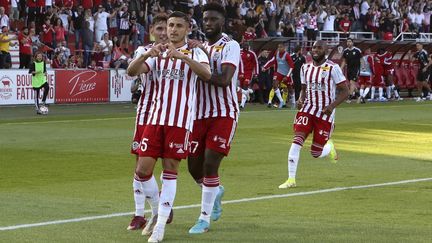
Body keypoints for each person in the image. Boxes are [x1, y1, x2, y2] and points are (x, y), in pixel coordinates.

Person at [127, 11, 211, 243]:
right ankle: (157, 211)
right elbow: (131, 72)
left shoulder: (195, 51)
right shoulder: (157, 53)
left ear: (188, 29)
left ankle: (161, 225)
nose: (173, 30)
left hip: (180, 121)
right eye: (170, 25)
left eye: (178, 26)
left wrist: (183, 57)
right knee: (143, 170)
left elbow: (206, 74)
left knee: (169, 171)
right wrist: (145, 56)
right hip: (154, 119)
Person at [186, 2, 240, 234]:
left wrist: (200, 60)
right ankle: (215, 191)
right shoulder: (197, 49)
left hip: (224, 112)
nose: (208, 23)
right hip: (198, 114)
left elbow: (224, 80)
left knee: (209, 163)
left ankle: (204, 219)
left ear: (222, 22)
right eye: (205, 19)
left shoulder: (231, 45)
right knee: (193, 167)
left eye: (213, 19)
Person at [278, 40, 349, 189]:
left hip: (324, 114)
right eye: (314, 47)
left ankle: (329, 147)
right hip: (307, 110)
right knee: (297, 141)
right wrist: (300, 98)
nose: (315, 50)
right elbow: (304, 88)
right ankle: (291, 179)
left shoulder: (333, 68)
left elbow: (345, 91)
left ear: (325, 50)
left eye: (319, 48)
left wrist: (331, 106)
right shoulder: (305, 68)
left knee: (316, 153)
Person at [126, 14, 171, 232]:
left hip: (172, 115)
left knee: (168, 165)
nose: (164, 32)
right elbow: (133, 71)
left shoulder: (182, 52)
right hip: (146, 114)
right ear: (152, 29)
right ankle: (139, 214)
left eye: (167, 28)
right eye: (160, 28)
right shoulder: (144, 51)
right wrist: (146, 56)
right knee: (140, 165)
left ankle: (161, 208)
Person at [263, 43, 295, 108]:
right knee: (274, 85)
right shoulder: (276, 54)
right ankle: (281, 101)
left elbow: (292, 66)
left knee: (290, 89)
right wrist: (265, 67)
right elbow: (272, 61)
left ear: (284, 48)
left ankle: (293, 102)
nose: (279, 49)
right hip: (279, 72)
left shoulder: (287, 55)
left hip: (287, 74)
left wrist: (287, 76)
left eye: (281, 47)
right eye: (278, 47)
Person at [340, 38, 362, 102]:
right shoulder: (345, 51)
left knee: (352, 82)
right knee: (351, 83)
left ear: (352, 43)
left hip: (356, 69)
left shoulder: (357, 50)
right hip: (349, 69)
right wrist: (341, 69)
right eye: (347, 42)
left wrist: (363, 67)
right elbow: (344, 61)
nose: (348, 43)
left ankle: (349, 97)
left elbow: (361, 59)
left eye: (350, 42)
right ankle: (359, 95)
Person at [238, 42, 258, 109]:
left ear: (248, 46)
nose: (245, 47)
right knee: (240, 87)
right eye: (244, 45)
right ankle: (250, 91)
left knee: (245, 85)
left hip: (248, 72)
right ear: (242, 46)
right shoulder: (239, 52)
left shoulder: (252, 53)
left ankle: (242, 105)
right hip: (240, 72)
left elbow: (256, 63)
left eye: (247, 45)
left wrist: (256, 73)